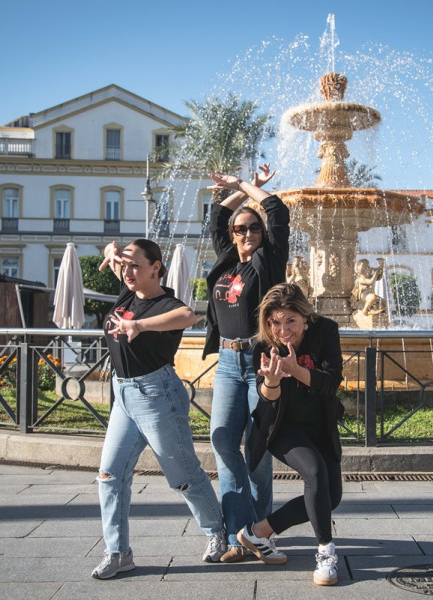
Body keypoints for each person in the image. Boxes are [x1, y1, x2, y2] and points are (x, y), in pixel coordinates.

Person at [92, 238, 226, 579]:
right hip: (123, 395)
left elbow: (187, 315)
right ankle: (118, 552)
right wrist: (112, 251)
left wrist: (139, 325)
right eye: (125, 266)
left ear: (157, 267)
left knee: (182, 476)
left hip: (157, 395)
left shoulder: (166, 302)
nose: (128, 272)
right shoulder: (127, 293)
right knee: (109, 474)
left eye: (136, 266)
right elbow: (114, 250)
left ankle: (217, 533)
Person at [202, 164, 290, 562]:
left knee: (257, 449)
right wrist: (233, 194)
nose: (248, 233)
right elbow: (216, 216)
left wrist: (245, 186)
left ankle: (259, 533)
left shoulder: (268, 261)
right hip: (226, 362)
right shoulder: (225, 261)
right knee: (223, 440)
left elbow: (277, 210)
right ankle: (239, 533)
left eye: (253, 228)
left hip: (259, 361)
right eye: (241, 229)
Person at [240, 283, 344, 586]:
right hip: (283, 428)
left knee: (331, 497)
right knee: (314, 471)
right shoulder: (263, 345)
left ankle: (257, 532)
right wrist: (272, 380)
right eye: (274, 322)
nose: (282, 330)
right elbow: (266, 401)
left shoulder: (325, 331)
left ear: (305, 318)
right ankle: (326, 554)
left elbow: (331, 381)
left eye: (290, 322)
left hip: (320, 425)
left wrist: (296, 369)